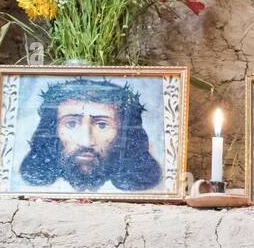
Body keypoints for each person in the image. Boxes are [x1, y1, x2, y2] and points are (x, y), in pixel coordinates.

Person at [18, 78, 161, 191]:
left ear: (124, 133)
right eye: (71, 124)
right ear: (52, 130)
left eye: (102, 125)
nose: (86, 142)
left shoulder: (149, 193)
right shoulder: (28, 189)